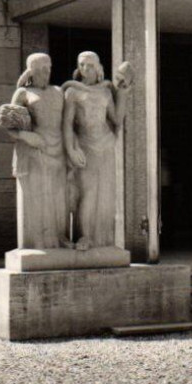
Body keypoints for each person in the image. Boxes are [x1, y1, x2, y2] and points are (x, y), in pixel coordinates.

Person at [0, 53, 67, 250]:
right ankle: (37, 243)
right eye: (41, 69)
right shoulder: (23, 93)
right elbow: (7, 123)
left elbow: (67, 122)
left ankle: (57, 239)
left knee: (57, 198)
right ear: (32, 71)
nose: (46, 72)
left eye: (49, 67)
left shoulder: (58, 91)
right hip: (33, 151)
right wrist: (26, 136)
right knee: (36, 197)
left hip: (57, 149)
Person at [62, 51, 126, 249]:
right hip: (85, 145)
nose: (85, 69)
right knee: (87, 192)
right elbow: (67, 125)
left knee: (105, 193)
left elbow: (116, 120)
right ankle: (85, 236)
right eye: (82, 65)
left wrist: (123, 92)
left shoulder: (106, 91)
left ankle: (103, 239)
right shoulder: (72, 92)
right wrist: (71, 150)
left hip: (106, 144)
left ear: (98, 67)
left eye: (90, 65)